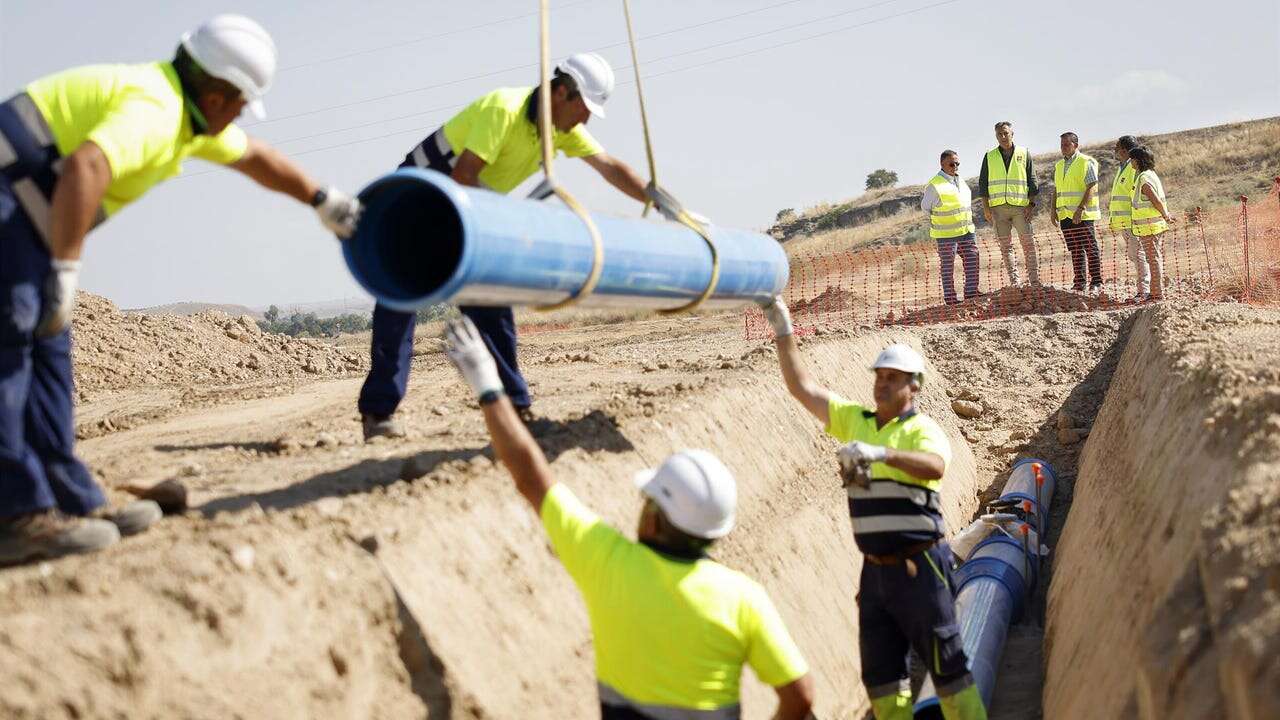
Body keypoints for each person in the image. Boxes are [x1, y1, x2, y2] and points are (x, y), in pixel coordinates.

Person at [0, 14, 363, 565]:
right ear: (218, 95)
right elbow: (86, 165)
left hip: (27, 221)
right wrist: (66, 272)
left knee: (50, 348)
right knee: (12, 343)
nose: (241, 115)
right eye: (242, 104)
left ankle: (69, 502)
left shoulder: (184, 114)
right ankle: (16, 517)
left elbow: (257, 159)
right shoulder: (157, 109)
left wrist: (323, 200)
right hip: (12, 215)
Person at [441, 315, 817, 719]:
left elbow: (531, 476)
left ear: (655, 520)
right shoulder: (744, 599)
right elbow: (801, 697)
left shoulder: (608, 562)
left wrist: (487, 386)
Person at [358, 53, 659, 441]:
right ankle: (378, 414)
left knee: (490, 301)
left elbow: (609, 166)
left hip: (467, 208)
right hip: (415, 200)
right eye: (584, 110)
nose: (584, 121)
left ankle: (516, 410)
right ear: (562, 93)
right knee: (401, 300)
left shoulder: (560, 130)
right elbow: (464, 174)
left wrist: (657, 198)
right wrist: (511, 218)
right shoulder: (504, 108)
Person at [762, 298, 987, 720]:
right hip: (876, 572)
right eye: (880, 376)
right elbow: (802, 389)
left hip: (921, 568)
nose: (882, 384)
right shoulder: (857, 420)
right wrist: (782, 326)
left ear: (914, 386)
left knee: (950, 673)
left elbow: (935, 465)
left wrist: (880, 454)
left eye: (893, 378)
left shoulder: (922, 430)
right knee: (883, 683)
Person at [977, 121, 1039, 287]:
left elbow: (1032, 181)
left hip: (1021, 208)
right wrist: (986, 209)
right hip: (998, 211)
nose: (1003, 137)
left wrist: (1030, 205)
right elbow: (983, 184)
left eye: (1006, 133)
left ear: (1012, 133)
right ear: (996, 136)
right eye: (999, 134)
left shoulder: (1024, 153)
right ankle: (1015, 282)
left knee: (1028, 244)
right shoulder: (989, 156)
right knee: (1006, 248)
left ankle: (1034, 281)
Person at [921, 150, 979, 305]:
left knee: (972, 259)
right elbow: (925, 207)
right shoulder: (935, 185)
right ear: (942, 164)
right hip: (946, 234)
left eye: (957, 164)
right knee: (948, 266)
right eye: (951, 164)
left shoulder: (961, 181)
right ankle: (951, 299)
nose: (955, 167)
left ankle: (971, 293)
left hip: (966, 231)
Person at [1050, 132, 1103, 292]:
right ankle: (1079, 282)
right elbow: (1057, 189)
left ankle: (1096, 282)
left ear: (1075, 145)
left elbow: (1091, 186)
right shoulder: (1059, 166)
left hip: (1082, 215)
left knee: (1090, 247)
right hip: (1065, 215)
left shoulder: (1086, 162)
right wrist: (1053, 210)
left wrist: (1080, 209)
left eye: (1067, 144)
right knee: (1075, 249)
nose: (1063, 148)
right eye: (1061, 145)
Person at [1128, 146, 1176, 300]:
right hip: (1152, 225)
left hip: (1150, 227)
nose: (1130, 162)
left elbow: (1154, 199)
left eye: (1132, 159)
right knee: (1153, 258)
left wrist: (1166, 215)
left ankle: (1157, 294)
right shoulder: (1150, 175)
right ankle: (1156, 292)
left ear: (1137, 160)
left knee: (1153, 259)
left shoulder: (1143, 178)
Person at [1107, 136, 1146, 302]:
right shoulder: (1122, 167)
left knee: (1139, 255)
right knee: (1134, 255)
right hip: (1124, 222)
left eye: (1117, 147)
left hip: (1133, 221)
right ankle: (1143, 290)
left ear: (1124, 150)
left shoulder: (1134, 168)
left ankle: (1144, 291)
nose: (1115, 151)